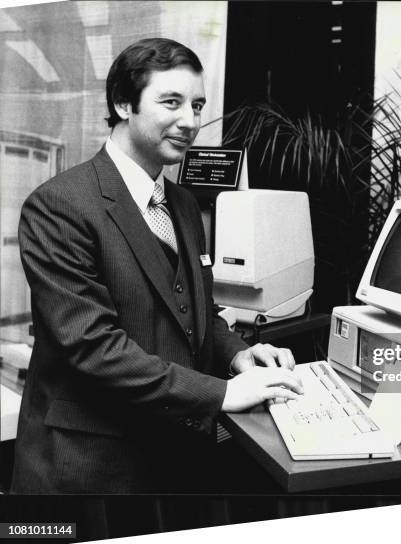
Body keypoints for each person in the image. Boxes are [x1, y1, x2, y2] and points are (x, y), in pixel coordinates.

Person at [11, 38, 303, 494]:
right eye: (171, 102)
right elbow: (94, 347)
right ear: (123, 104)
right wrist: (223, 393)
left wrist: (235, 354)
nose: (190, 121)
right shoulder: (59, 206)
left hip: (172, 460)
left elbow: (193, 309)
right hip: (89, 467)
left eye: (197, 104)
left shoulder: (183, 205)